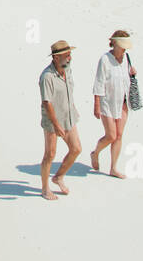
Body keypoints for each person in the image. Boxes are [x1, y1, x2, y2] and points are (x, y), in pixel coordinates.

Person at [90, 30, 137, 178]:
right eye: (122, 45)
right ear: (114, 43)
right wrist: (96, 105)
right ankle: (95, 153)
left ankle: (113, 168)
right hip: (107, 103)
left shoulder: (126, 58)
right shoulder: (105, 60)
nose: (124, 49)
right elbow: (99, 83)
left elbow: (126, 80)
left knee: (119, 135)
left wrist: (133, 74)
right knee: (111, 135)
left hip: (122, 102)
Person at [39, 40, 82, 199]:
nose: (69, 58)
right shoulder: (47, 77)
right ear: (56, 58)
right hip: (52, 121)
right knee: (50, 154)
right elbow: (47, 102)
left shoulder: (68, 70)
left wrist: (73, 108)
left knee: (76, 149)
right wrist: (56, 125)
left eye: (70, 55)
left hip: (69, 116)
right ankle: (45, 189)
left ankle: (58, 177)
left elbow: (68, 91)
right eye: (66, 56)